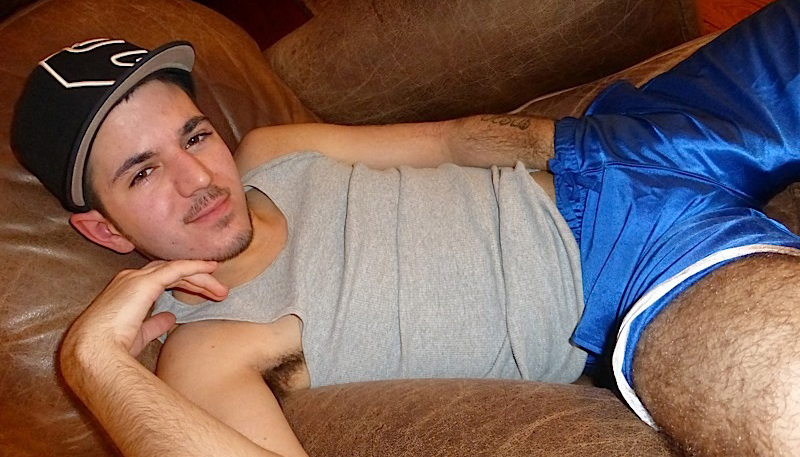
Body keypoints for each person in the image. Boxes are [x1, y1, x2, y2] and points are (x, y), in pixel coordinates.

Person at [11, 0, 800, 455]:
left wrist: (568, 138)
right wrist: (90, 360)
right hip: (637, 280)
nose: (198, 179)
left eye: (193, 135)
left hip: (612, 143)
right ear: (104, 231)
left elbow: (449, 140)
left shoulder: (274, 151)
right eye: (142, 173)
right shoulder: (207, 346)